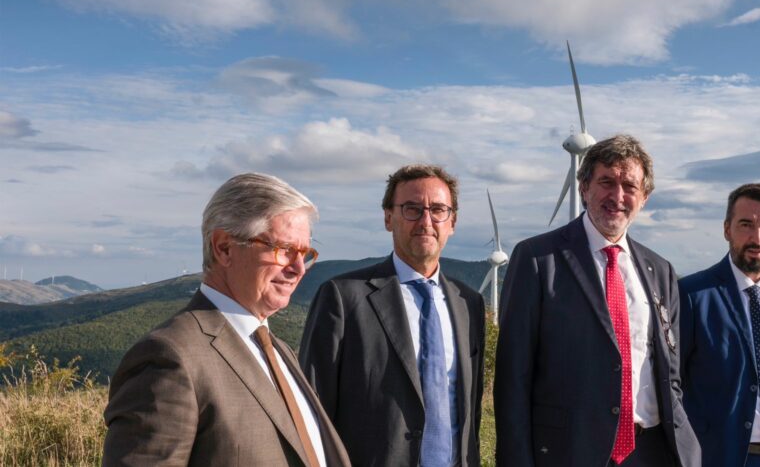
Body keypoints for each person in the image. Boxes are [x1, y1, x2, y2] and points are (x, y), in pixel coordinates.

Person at [103, 172, 351, 467]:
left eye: (305, 253)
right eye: (285, 251)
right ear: (224, 247)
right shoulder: (169, 356)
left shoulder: (280, 351)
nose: (298, 269)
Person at [494, 134, 699, 467]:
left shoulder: (660, 270)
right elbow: (513, 377)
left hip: (652, 451)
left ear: (644, 197)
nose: (617, 196)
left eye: (630, 186)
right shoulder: (537, 259)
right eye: (606, 182)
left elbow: (669, 372)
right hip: (569, 452)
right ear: (583, 187)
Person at [301, 164, 485, 467]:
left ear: (452, 222)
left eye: (438, 210)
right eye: (412, 209)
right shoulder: (343, 297)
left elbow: (470, 409)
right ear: (389, 218)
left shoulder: (469, 303)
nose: (426, 220)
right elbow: (314, 409)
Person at [677, 183, 760, 467]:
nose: (757, 237)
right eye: (746, 225)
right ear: (727, 229)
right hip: (720, 456)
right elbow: (673, 382)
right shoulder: (691, 295)